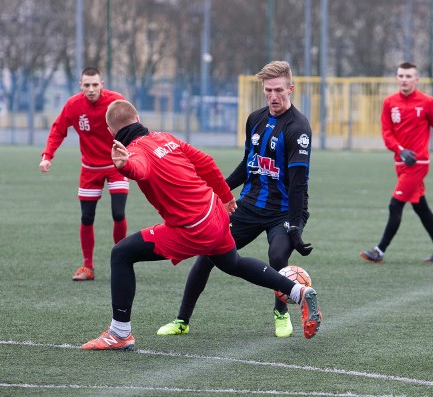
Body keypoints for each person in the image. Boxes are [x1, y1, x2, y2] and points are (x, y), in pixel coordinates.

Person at [81, 100, 322, 351]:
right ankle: (298, 292)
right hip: (215, 211)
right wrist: (227, 197)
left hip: (192, 228)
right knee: (233, 263)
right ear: (138, 118)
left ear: (111, 132)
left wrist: (126, 166)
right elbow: (205, 162)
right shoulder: (165, 138)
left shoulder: (136, 152)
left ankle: (120, 333)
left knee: (121, 254)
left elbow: (140, 169)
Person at [156, 61, 314, 339]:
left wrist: (295, 226)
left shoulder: (298, 128)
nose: (274, 96)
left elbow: (299, 183)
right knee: (207, 255)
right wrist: (219, 190)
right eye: (268, 90)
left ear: (291, 89)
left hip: (284, 211)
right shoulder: (255, 119)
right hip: (249, 205)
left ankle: (281, 313)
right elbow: (247, 164)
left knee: (278, 256)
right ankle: (182, 320)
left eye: (279, 90)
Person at [359, 62, 433, 264]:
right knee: (420, 206)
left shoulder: (427, 102)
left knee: (395, 205)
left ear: (416, 79)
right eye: (401, 75)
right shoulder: (389, 102)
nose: (404, 79)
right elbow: (386, 133)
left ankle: (380, 250)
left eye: (409, 76)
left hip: (418, 163)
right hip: (401, 162)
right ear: (396, 78)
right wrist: (400, 151)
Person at [39, 67, 128, 281]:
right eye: (86, 85)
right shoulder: (73, 105)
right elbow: (58, 129)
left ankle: (121, 262)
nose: (91, 89)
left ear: (102, 84)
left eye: (95, 84)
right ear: (80, 86)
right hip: (90, 169)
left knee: (118, 213)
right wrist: (47, 156)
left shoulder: (116, 102)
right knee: (87, 217)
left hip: (116, 166)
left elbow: (133, 127)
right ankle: (87, 267)